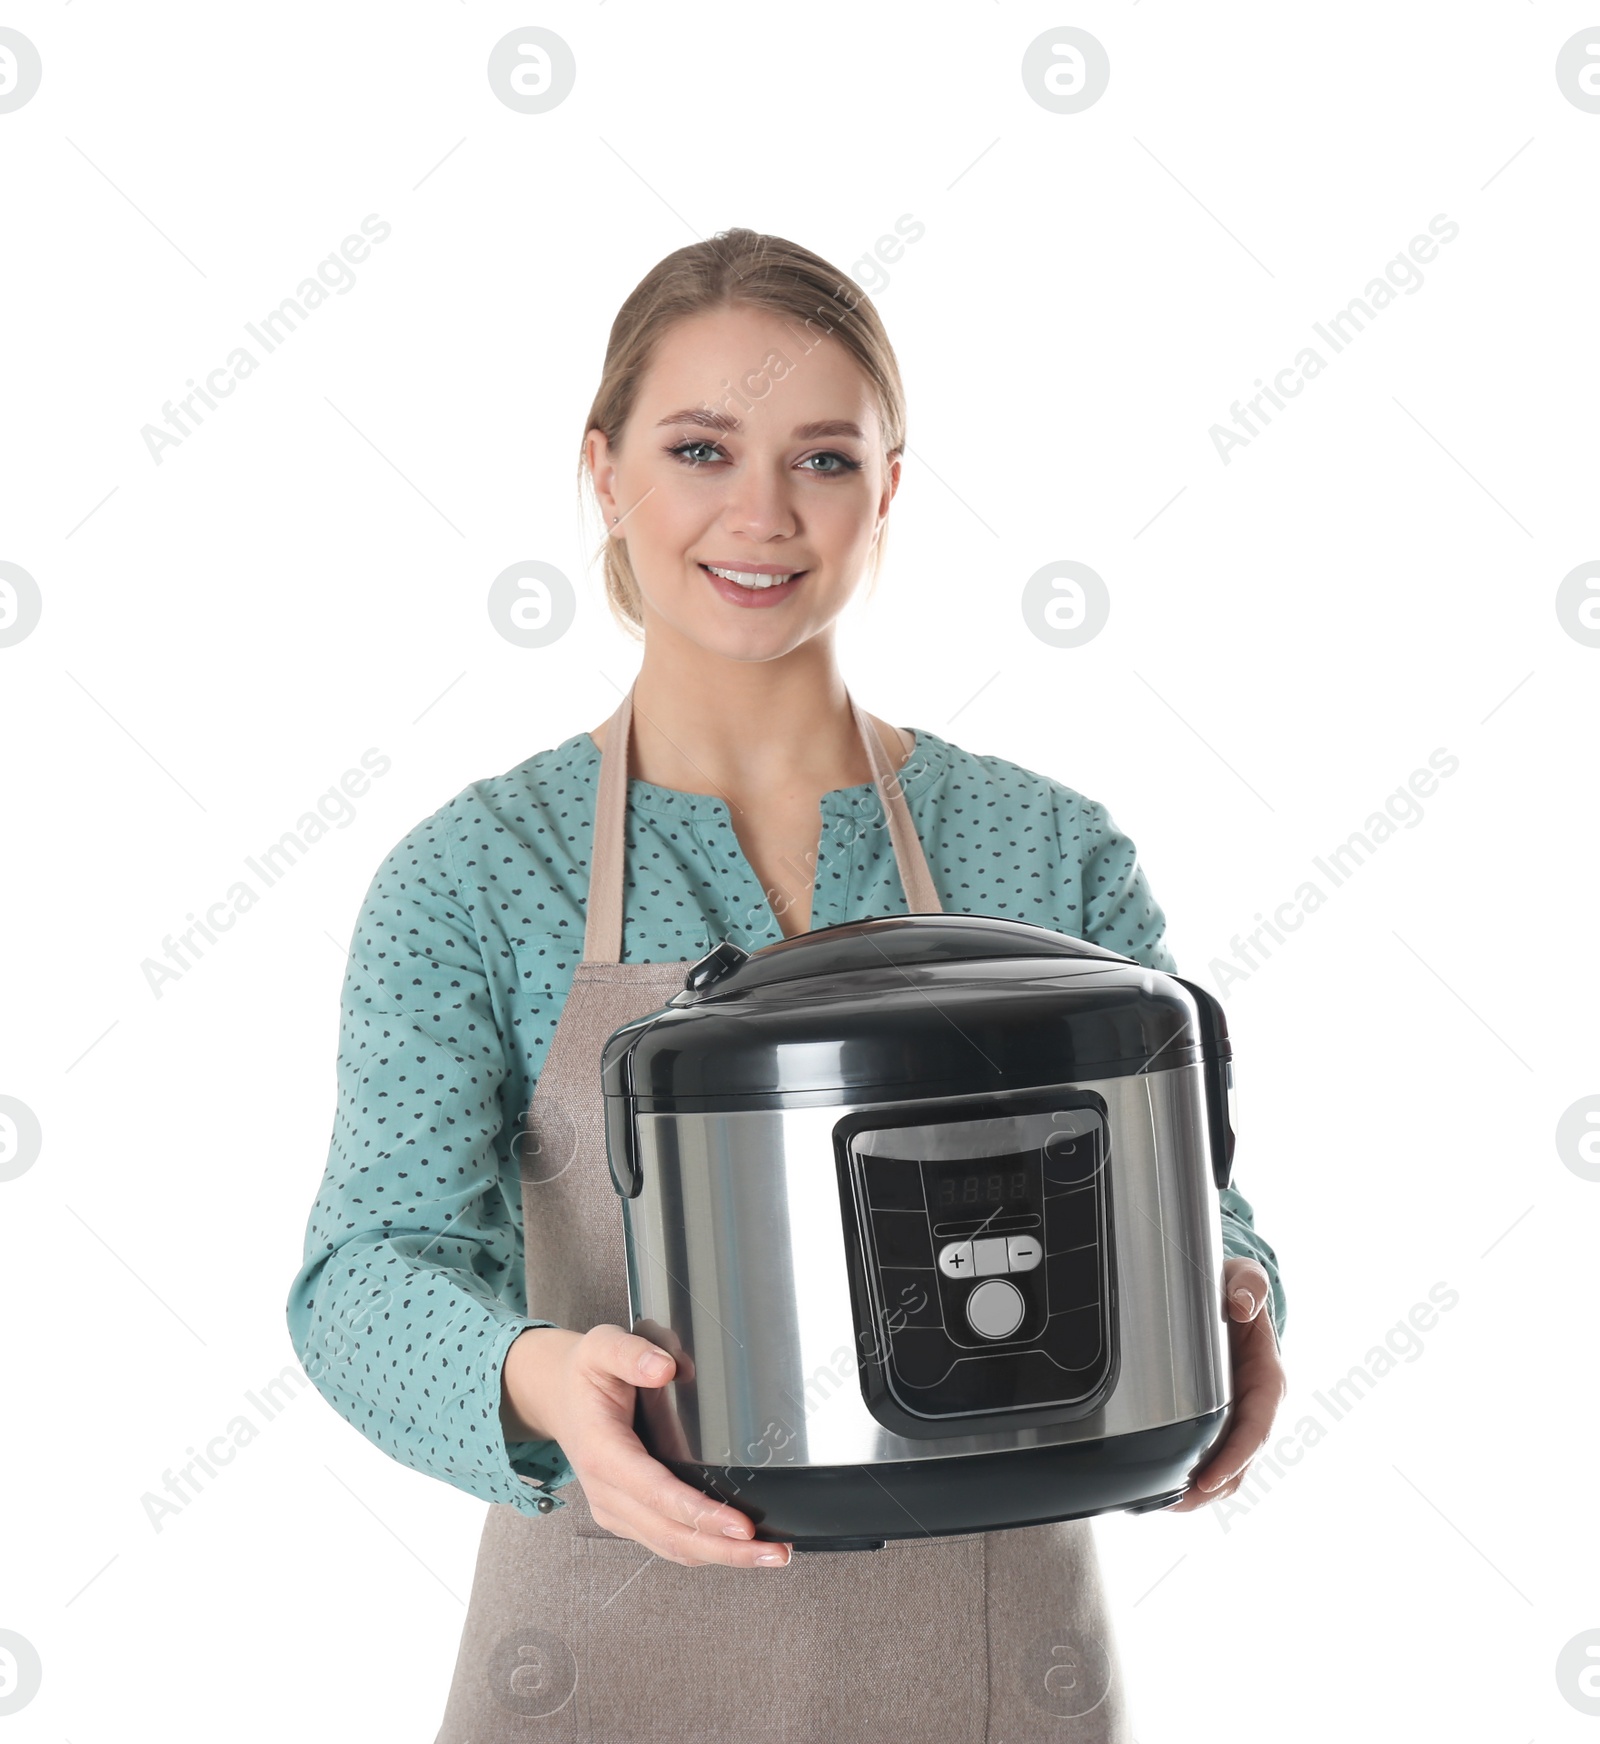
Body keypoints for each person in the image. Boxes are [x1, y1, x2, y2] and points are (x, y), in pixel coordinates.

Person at [286, 227, 1287, 1743]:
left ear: (887, 492)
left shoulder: (1051, 853)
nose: (762, 514)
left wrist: (1236, 1294)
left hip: (994, 1659)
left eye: (823, 459)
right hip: (601, 1652)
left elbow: (1188, 1193)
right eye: (702, 447)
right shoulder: (475, 876)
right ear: (605, 470)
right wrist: (541, 1377)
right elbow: (363, 1273)